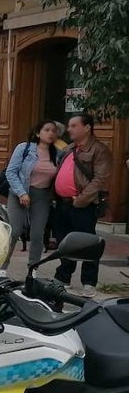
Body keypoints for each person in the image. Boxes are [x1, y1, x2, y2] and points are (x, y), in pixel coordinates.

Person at [53, 113, 112, 297]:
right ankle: (63, 277)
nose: (69, 129)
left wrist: (80, 200)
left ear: (86, 127)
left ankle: (89, 282)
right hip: (63, 204)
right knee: (65, 242)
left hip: (83, 205)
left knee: (87, 243)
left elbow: (100, 179)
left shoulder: (99, 150)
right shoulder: (70, 148)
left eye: (73, 125)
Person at [4, 120, 60, 263]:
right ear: (37, 133)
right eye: (47, 130)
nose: (51, 133)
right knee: (14, 232)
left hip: (42, 196)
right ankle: (1, 268)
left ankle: (33, 268)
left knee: (37, 234)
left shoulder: (58, 154)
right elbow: (11, 172)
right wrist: (21, 193)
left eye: (54, 131)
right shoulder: (24, 148)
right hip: (20, 193)